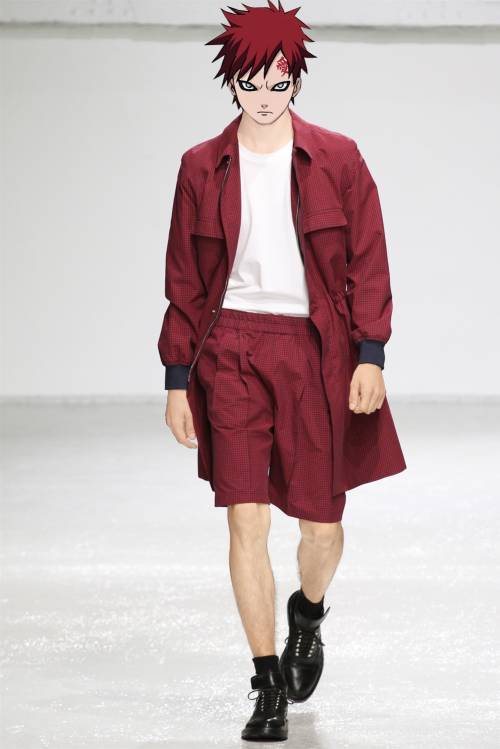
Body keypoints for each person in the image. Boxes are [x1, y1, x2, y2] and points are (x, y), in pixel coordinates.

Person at [158, 1, 407, 741]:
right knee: (245, 515)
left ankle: (308, 612)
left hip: (314, 349)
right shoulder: (200, 166)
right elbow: (183, 279)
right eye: (250, 83)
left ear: (296, 79)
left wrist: (371, 353)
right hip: (229, 348)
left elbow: (368, 258)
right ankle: (266, 683)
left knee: (322, 524)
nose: (264, 97)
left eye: (278, 82)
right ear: (230, 82)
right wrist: (177, 376)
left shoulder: (338, 158)